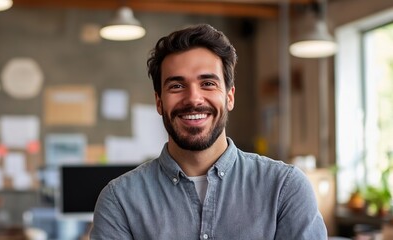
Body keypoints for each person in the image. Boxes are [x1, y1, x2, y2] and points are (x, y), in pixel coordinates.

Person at [90, 24, 327, 239]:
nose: (193, 98)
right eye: (177, 86)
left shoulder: (284, 188)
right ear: (159, 102)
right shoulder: (119, 200)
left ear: (230, 96)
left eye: (208, 83)